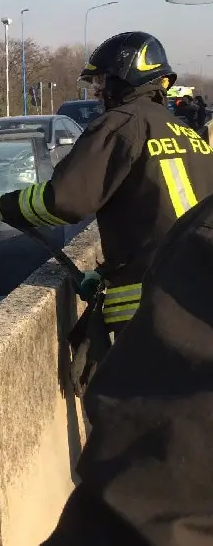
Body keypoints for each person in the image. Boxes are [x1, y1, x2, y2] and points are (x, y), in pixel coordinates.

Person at [0, 31, 213, 339]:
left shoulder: (120, 124)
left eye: (100, 81)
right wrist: (108, 274)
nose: (96, 91)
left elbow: (65, 200)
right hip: (201, 300)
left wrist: (3, 206)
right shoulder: (187, 134)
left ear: (122, 77)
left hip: (155, 314)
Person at [40, 191, 213, 546]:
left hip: (148, 314)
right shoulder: (186, 138)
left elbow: (67, 194)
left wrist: (6, 205)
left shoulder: (121, 132)